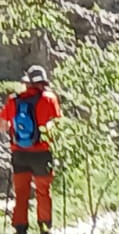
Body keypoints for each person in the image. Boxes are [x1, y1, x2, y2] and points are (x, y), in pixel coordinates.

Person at [2, 67, 59, 234]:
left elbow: (3, 125)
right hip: (42, 153)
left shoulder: (14, 100)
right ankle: (44, 227)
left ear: (27, 83)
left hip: (19, 153)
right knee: (43, 191)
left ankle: (20, 228)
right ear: (42, 83)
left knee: (21, 192)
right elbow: (57, 126)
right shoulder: (50, 99)